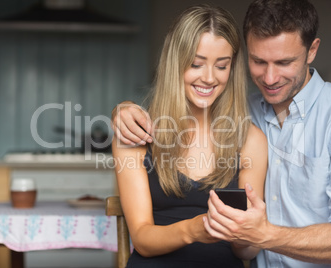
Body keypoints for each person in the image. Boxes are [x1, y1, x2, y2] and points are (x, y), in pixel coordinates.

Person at [111, 0, 331, 267]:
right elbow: (142, 236)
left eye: (283, 62)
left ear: (312, 50)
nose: (269, 78)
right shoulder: (249, 111)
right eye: (258, 61)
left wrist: (257, 234)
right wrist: (121, 110)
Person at [112, 4, 267, 268]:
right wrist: (193, 230)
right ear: (176, 62)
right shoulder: (136, 131)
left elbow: (246, 253)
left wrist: (250, 232)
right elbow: (142, 239)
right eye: (196, 64)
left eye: (221, 66)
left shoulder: (250, 139)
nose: (209, 78)